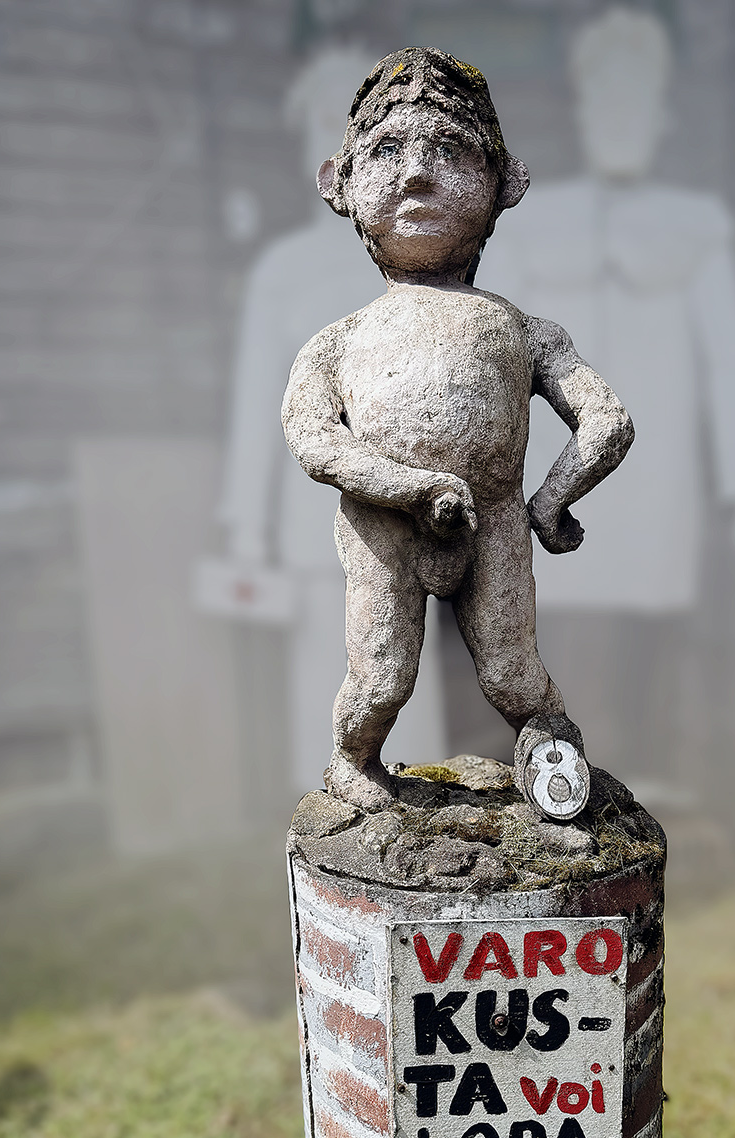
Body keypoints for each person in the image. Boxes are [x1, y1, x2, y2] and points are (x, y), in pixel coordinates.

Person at [281, 48, 633, 818]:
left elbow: (607, 420)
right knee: (380, 681)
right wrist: (410, 489)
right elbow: (313, 441)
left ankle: (553, 771)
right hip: (385, 527)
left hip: (494, 520)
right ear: (339, 184)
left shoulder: (524, 331)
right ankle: (353, 762)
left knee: (517, 677)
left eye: (450, 149)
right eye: (387, 151)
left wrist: (549, 501)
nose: (417, 174)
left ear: (506, 183)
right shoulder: (338, 344)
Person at [479, 6, 735, 788]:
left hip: (660, 467)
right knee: (558, 619)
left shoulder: (695, 227)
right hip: (560, 465)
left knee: (654, 621)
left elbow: (730, 362)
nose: (621, 115)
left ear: (663, 112)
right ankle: (559, 777)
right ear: (583, 108)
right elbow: (497, 347)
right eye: (606, 96)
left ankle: (651, 773)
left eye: (638, 96)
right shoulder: (535, 222)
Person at [215, 48, 447, 796]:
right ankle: (331, 817)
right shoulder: (281, 272)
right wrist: (247, 526)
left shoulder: (420, 263)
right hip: (313, 505)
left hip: (412, 502)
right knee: (328, 667)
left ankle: (425, 804)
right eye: (318, 121)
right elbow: (259, 405)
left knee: (407, 666)